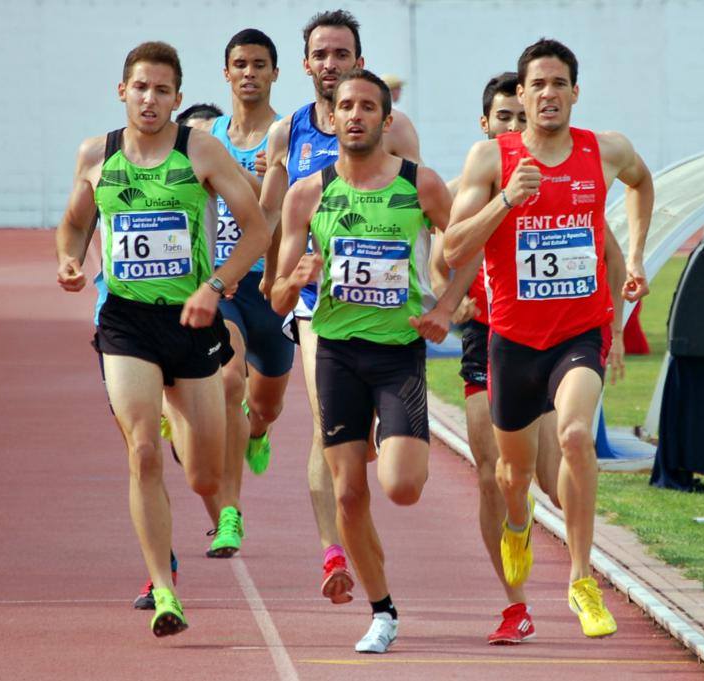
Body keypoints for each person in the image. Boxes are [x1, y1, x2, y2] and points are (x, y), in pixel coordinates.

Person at [55, 41, 269, 637]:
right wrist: (70, 260)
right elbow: (75, 222)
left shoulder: (200, 149)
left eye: (162, 90)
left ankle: (216, 457)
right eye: (140, 88)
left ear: (177, 98)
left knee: (202, 475)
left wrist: (216, 287)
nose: (150, 100)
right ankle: (166, 588)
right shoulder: (96, 155)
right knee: (143, 450)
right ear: (122, 92)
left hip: (191, 321)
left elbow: (255, 228)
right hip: (125, 322)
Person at [444, 38, 652, 639]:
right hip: (512, 339)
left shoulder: (604, 150)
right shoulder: (491, 159)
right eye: (538, 85)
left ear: (574, 92)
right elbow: (453, 247)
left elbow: (642, 185)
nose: (549, 94)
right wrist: (508, 199)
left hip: (579, 333)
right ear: (523, 93)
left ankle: (581, 579)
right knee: (512, 475)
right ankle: (516, 523)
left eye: (559, 83)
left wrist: (634, 253)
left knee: (576, 435)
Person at [272, 69, 468, 654]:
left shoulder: (420, 185)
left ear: (386, 120)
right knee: (350, 494)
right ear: (329, 120)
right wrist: (295, 278)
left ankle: (390, 431)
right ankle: (382, 612)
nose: (354, 115)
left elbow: (464, 252)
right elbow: (275, 296)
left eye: (367, 107)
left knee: (403, 487)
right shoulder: (307, 193)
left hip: (397, 353)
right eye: (344, 106)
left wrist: (447, 310)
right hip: (334, 352)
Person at [258, 8, 421, 606]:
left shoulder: (395, 130)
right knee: (329, 424)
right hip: (312, 305)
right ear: (306, 64)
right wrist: (262, 273)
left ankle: (356, 513)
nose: (330, 64)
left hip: (386, 316)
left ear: (359, 60)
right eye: (320, 54)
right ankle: (334, 549)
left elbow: (415, 215)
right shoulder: (288, 133)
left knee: (372, 446)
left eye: (341, 54)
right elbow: (270, 213)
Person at [197, 28, 293, 561]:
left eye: (260, 64)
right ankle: (230, 513)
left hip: (271, 287)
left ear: (275, 72)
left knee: (267, 405)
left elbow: (292, 210)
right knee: (229, 377)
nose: (250, 72)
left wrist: (265, 183)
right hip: (225, 282)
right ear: (226, 72)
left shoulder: (285, 135)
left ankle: (258, 431)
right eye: (240, 64)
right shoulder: (207, 136)